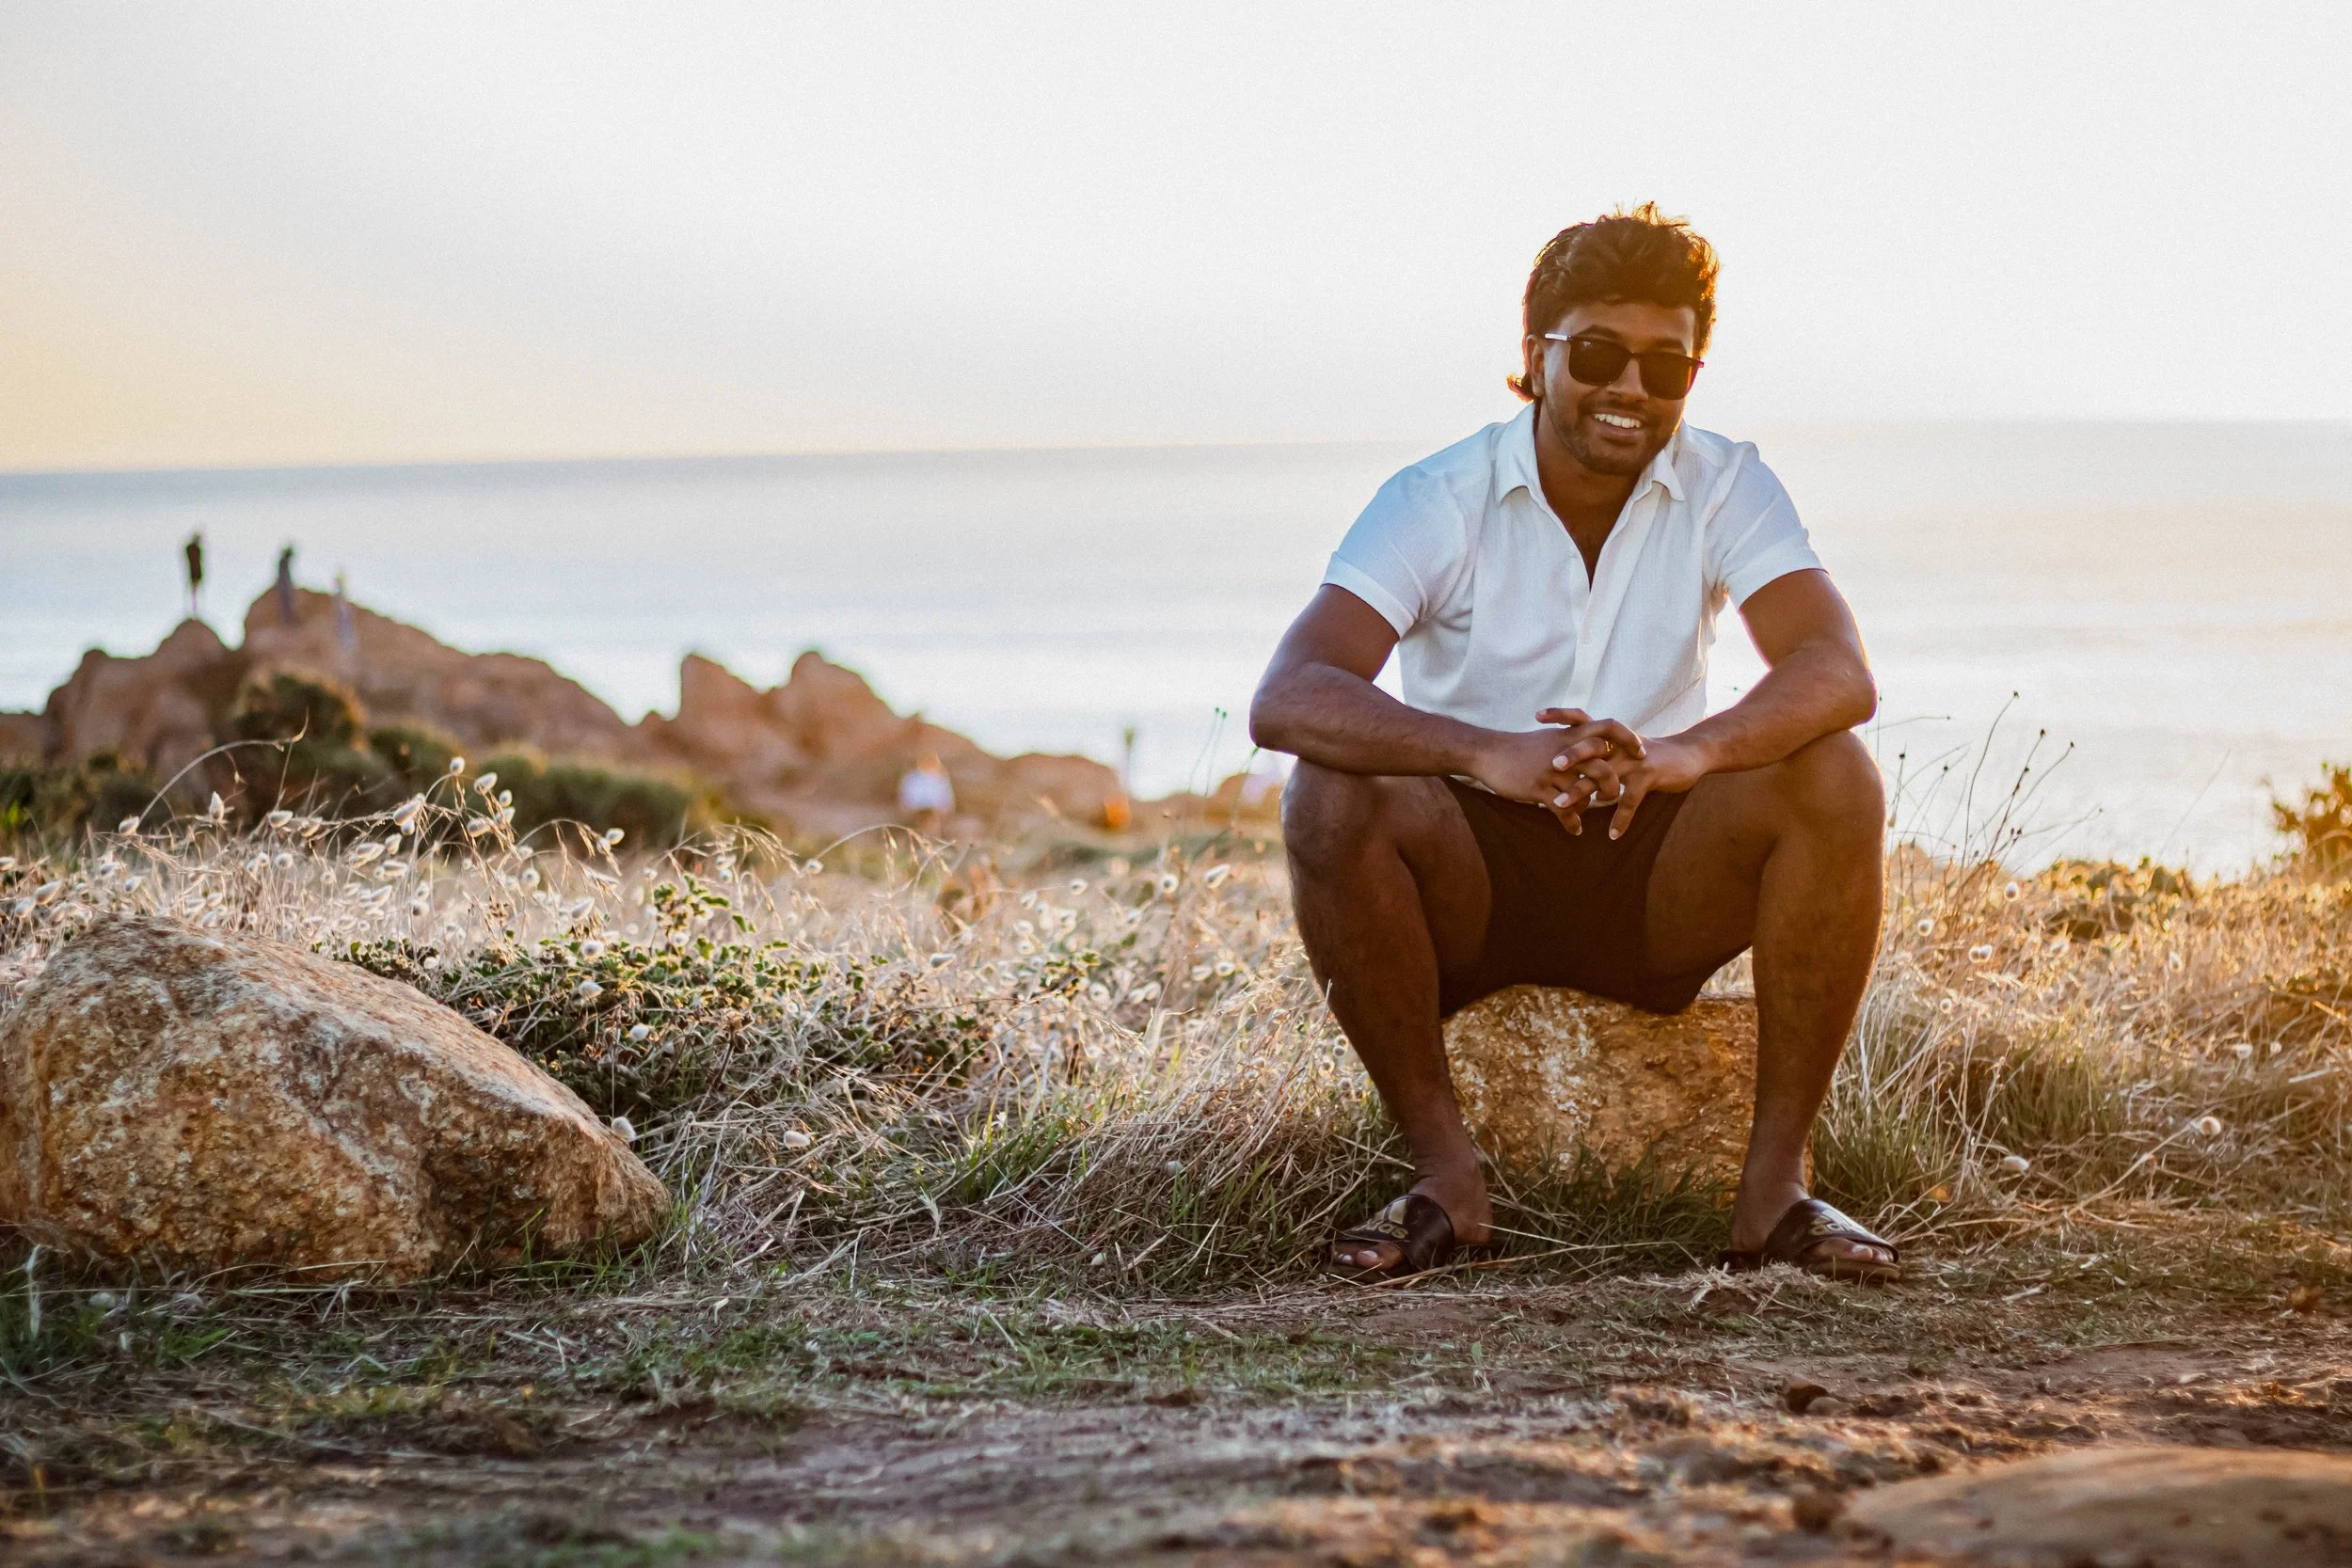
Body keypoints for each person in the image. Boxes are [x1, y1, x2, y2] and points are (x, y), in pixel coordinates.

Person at [1249, 205, 1897, 1284]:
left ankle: (1771, 1192)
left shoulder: (1724, 479)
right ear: (1534, 354)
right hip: (1476, 881)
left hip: (1654, 869)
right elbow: (1290, 694)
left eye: (1665, 365)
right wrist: (1481, 751)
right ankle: (1445, 1182)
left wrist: (1686, 753)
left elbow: (1837, 669)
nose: (1630, 389)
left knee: (1835, 773)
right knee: (1330, 788)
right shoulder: (1434, 497)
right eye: (1597, 353)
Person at [183, 531, 204, 620]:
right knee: (193, 593)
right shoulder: (193, 549)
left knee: (195, 593)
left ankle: (195, 611)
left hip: (196, 574)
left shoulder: (195, 549)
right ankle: (193, 611)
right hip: (193, 574)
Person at [275, 546, 298, 625]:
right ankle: (288, 621)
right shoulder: (283, 563)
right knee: (286, 605)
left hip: (285, 588)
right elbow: (283, 579)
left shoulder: (284, 563)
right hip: (284, 589)